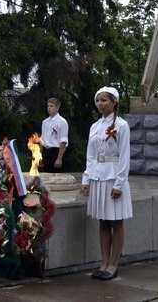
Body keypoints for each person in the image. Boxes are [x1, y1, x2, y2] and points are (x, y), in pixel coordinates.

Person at [81, 87, 132, 280]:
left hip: (114, 177)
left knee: (116, 221)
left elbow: (124, 155)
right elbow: (90, 155)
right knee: (103, 221)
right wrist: (86, 178)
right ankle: (103, 263)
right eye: (98, 100)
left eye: (104, 100)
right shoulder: (94, 127)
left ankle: (113, 264)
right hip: (98, 177)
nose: (100, 104)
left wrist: (119, 183)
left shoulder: (122, 125)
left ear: (114, 103)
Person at [39, 97, 69, 172]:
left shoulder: (62, 122)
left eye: (51, 106)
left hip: (56, 152)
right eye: (48, 106)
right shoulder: (45, 122)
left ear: (57, 107)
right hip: (46, 152)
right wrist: (40, 156)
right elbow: (42, 140)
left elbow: (63, 141)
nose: (49, 108)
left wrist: (59, 159)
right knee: (45, 177)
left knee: (56, 178)